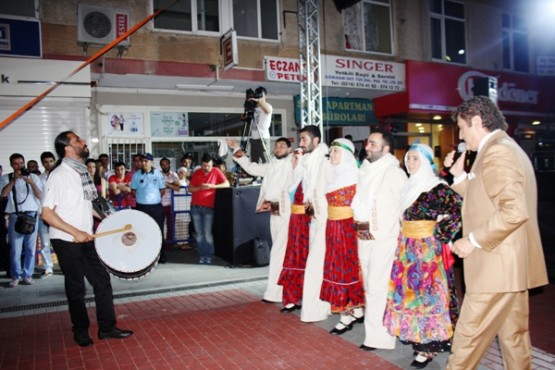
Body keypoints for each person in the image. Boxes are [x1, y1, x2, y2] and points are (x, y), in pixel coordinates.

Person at [444, 96, 548, 369]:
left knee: (466, 342)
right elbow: (485, 200)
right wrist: (458, 176)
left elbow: (514, 211)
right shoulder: (504, 148)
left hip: (495, 268)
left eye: (462, 128)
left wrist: (473, 240)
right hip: (510, 269)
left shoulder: (497, 152)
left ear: (477, 122)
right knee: (514, 339)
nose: (461, 135)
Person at [41, 131, 133, 347]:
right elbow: (46, 213)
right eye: (78, 141)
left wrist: (112, 220)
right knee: (76, 287)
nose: (83, 142)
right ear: (68, 148)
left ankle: (107, 327)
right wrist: (75, 232)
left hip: (86, 238)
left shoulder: (82, 174)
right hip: (66, 240)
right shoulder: (59, 175)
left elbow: (87, 206)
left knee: (102, 280)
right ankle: (80, 330)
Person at [383, 143, 462, 369]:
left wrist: (440, 233)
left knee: (428, 296)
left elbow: (458, 208)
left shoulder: (436, 187)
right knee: (411, 295)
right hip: (407, 249)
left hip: (427, 252)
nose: (410, 163)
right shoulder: (409, 186)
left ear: (426, 162)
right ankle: (418, 338)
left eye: (416, 158)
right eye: (408, 158)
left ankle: (428, 347)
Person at [351, 129, 407, 351]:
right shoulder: (365, 171)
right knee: (369, 287)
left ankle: (380, 338)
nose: (367, 147)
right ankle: (374, 332)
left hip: (384, 239)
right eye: (368, 143)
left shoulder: (393, 172)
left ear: (386, 149)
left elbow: (405, 208)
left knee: (377, 287)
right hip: (363, 236)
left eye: (373, 144)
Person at [227, 137, 293, 303]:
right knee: (280, 252)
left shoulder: (293, 163)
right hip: (274, 215)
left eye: (282, 146)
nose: (278, 149)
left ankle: (274, 292)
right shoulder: (270, 166)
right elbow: (251, 168)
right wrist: (236, 149)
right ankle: (281, 291)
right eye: (277, 146)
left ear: (289, 149)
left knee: (278, 253)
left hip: (288, 215)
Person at [281, 125, 331, 322]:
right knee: (315, 264)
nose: (300, 143)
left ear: (316, 140)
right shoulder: (308, 160)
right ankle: (316, 307)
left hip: (326, 219)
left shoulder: (324, 160)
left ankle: (316, 309)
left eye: (303, 139)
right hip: (312, 220)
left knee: (316, 265)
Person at [320, 138, 365, 335]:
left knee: (346, 268)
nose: (332, 154)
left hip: (347, 229)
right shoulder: (334, 175)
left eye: (336, 151)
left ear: (346, 154)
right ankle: (355, 309)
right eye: (331, 151)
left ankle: (346, 313)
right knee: (336, 266)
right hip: (333, 227)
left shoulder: (356, 176)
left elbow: (362, 206)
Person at [1, 153, 44, 287]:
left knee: (31, 249)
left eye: (21, 163)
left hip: (31, 215)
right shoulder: (6, 177)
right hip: (15, 215)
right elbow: (3, 194)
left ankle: (28, 275)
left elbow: (40, 195)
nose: (19, 166)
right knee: (15, 249)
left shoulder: (34, 177)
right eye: (16, 164)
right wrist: (14, 180)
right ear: (11, 165)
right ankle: (15, 276)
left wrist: (30, 182)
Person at [188, 153, 230, 264]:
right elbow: (190, 189)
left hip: (208, 208)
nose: (206, 168)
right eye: (204, 165)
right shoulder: (197, 172)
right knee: (199, 234)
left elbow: (227, 184)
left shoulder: (216, 171)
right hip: (195, 207)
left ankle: (209, 256)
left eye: (209, 165)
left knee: (207, 234)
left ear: (212, 164)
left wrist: (214, 186)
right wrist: (200, 187)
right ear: (201, 164)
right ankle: (202, 255)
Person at [130, 153, 166, 263]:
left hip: (156, 208)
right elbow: (133, 191)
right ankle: (145, 257)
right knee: (142, 233)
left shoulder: (158, 174)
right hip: (141, 208)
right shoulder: (136, 175)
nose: (143, 163)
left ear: (151, 162)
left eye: (146, 161)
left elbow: (162, 190)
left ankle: (160, 256)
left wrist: (153, 199)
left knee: (158, 232)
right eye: (142, 161)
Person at [37, 151, 57, 278]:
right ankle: (48, 267)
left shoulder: (60, 176)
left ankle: (65, 266)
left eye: (50, 161)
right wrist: (41, 212)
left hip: (59, 215)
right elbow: (38, 198)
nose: (48, 164)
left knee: (61, 242)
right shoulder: (39, 179)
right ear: (42, 163)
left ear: (54, 161)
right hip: (44, 214)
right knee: (45, 243)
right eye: (46, 162)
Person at [246, 86, 272, 164]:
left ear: (266, 96)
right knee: (254, 161)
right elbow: (249, 120)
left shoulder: (267, 106)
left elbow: (267, 111)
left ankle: (268, 176)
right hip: (253, 138)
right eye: (258, 95)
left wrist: (259, 101)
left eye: (261, 95)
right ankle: (255, 176)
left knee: (266, 160)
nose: (259, 97)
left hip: (263, 137)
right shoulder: (254, 107)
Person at [159, 157, 181, 250]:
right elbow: (159, 187)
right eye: (163, 165)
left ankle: (169, 246)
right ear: (161, 166)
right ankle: (160, 245)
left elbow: (178, 187)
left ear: (169, 165)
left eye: (166, 164)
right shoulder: (158, 175)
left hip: (171, 204)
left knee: (171, 226)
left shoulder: (174, 174)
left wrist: (168, 185)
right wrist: (172, 185)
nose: (165, 166)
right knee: (159, 226)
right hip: (160, 204)